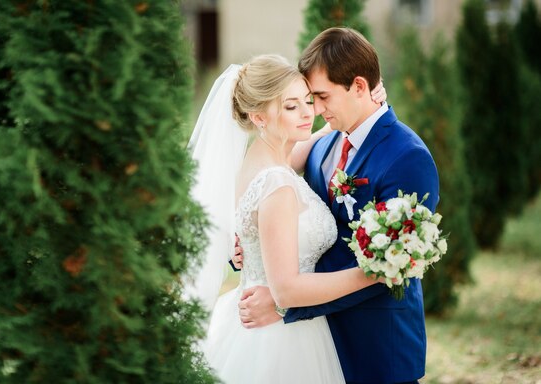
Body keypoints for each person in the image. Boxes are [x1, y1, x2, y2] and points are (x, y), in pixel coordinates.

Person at [234, 28, 440, 384]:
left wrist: (285, 304)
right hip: (312, 346)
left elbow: (391, 266)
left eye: (321, 97)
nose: (315, 110)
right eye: (309, 98)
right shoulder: (323, 143)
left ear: (359, 87)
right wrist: (248, 249)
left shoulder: (407, 158)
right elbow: (265, 194)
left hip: (374, 346)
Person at [186, 54, 386, 384]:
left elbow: (309, 143)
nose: (308, 112)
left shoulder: (262, 160)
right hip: (280, 338)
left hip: (255, 320)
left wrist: (361, 110)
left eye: (308, 100)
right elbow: (287, 290)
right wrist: (373, 273)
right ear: (259, 117)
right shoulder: (276, 184)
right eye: (291, 106)